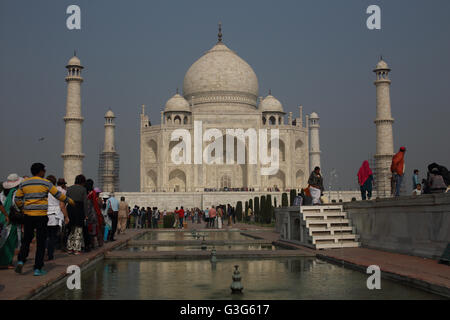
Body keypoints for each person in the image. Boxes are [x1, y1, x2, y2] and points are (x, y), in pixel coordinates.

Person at [15, 163, 74, 276]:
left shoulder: (24, 183)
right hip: (41, 215)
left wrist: (23, 208)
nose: (45, 172)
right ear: (41, 171)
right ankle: (37, 268)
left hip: (28, 215)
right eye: (44, 170)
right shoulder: (45, 183)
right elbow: (58, 195)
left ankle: (21, 260)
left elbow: (17, 198)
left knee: (26, 239)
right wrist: (69, 200)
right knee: (41, 242)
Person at [0, 174, 23, 269]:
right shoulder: (15, 193)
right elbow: (16, 205)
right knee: (9, 241)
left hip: (4, 218)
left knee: (4, 240)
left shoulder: (4, 193)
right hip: (11, 220)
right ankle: (5, 262)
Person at [45, 175, 68, 261]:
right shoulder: (61, 191)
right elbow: (62, 205)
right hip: (55, 215)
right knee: (52, 236)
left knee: (45, 236)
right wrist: (66, 216)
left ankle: (44, 250)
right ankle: (50, 254)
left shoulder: (43, 190)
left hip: (44, 214)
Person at [66, 174, 88, 255]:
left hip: (70, 209)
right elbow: (85, 203)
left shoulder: (69, 188)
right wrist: (86, 214)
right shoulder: (83, 189)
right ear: (82, 182)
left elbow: (66, 199)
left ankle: (69, 248)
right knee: (78, 230)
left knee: (71, 230)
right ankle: (76, 249)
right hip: (79, 209)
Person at [84, 179, 98, 251]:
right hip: (91, 213)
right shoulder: (93, 193)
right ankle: (91, 245)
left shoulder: (84, 192)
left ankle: (86, 245)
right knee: (92, 230)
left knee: (86, 230)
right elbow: (95, 204)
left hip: (84, 212)